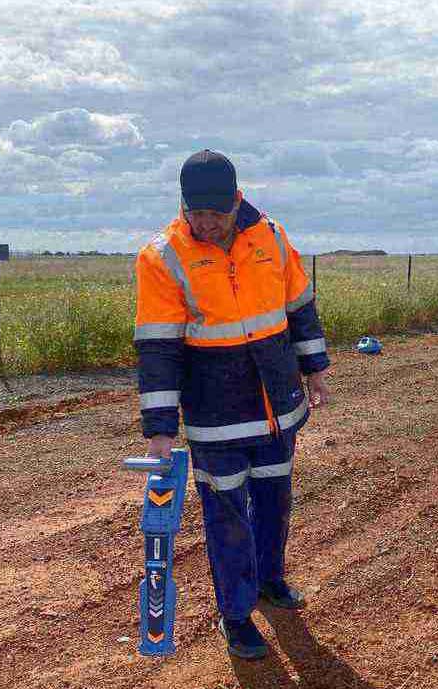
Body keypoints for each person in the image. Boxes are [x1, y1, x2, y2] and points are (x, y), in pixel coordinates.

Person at [133, 149, 330, 660]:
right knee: (226, 519)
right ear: (184, 205)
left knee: (273, 503)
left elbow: (300, 309)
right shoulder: (162, 256)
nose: (206, 223)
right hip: (215, 417)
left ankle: (271, 580)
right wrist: (160, 427)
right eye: (196, 213)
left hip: (276, 410)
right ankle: (237, 615)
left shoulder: (272, 237)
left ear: (237, 200)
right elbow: (158, 347)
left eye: (216, 214)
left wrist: (317, 371)